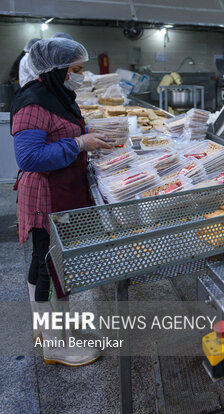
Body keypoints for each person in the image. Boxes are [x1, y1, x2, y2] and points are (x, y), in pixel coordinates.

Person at [11, 37, 112, 366]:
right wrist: (80, 143)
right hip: (46, 196)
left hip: (63, 189)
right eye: (76, 70)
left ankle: (46, 328)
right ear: (55, 70)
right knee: (52, 270)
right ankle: (55, 345)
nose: (80, 76)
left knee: (42, 262)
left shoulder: (56, 96)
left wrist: (85, 134)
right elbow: (29, 157)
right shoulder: (33, 103)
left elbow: (59, 133)